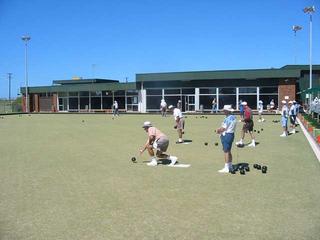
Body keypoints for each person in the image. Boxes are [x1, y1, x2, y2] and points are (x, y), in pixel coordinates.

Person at [216, 105, 237, 173]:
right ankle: (230, 166)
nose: (223, 111)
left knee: (226, 151)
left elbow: (223, 128)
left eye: (224, 110)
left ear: (227, 111)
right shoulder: (233, 117)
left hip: (227, 135)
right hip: (231, 134)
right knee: (229, 151)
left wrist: (218, 130)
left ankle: (226, 167)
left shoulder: (227, 119)